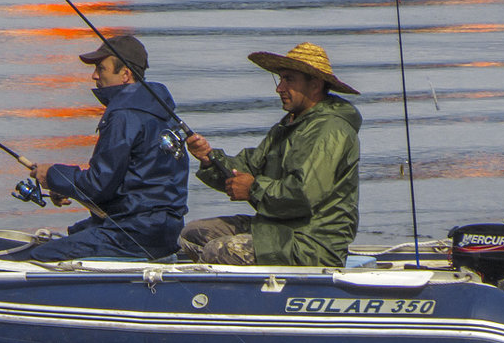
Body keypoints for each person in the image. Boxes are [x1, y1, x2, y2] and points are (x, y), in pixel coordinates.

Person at [178, 42, 361, 267]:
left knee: (220, 251)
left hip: (311, 244)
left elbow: (303, 195)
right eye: (280, 79)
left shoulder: (331, 130)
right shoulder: (289, 124)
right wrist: (208, 158)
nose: (279, 88)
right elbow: (247, 167)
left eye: (289, 80)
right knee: (193, 234)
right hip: (275, 229)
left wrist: (253, 189)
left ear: (315, 85)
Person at [28, 35, 189, 261]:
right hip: (164, 230)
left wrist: (52, 174)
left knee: (41, 257)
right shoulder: (162, 114)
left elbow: (99, 185)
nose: (94, 75)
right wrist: (65, 187)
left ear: (125, 75)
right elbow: (133, 183)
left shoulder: (124, 114)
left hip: (134, 232)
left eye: (101, 68)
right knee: (76, 232)